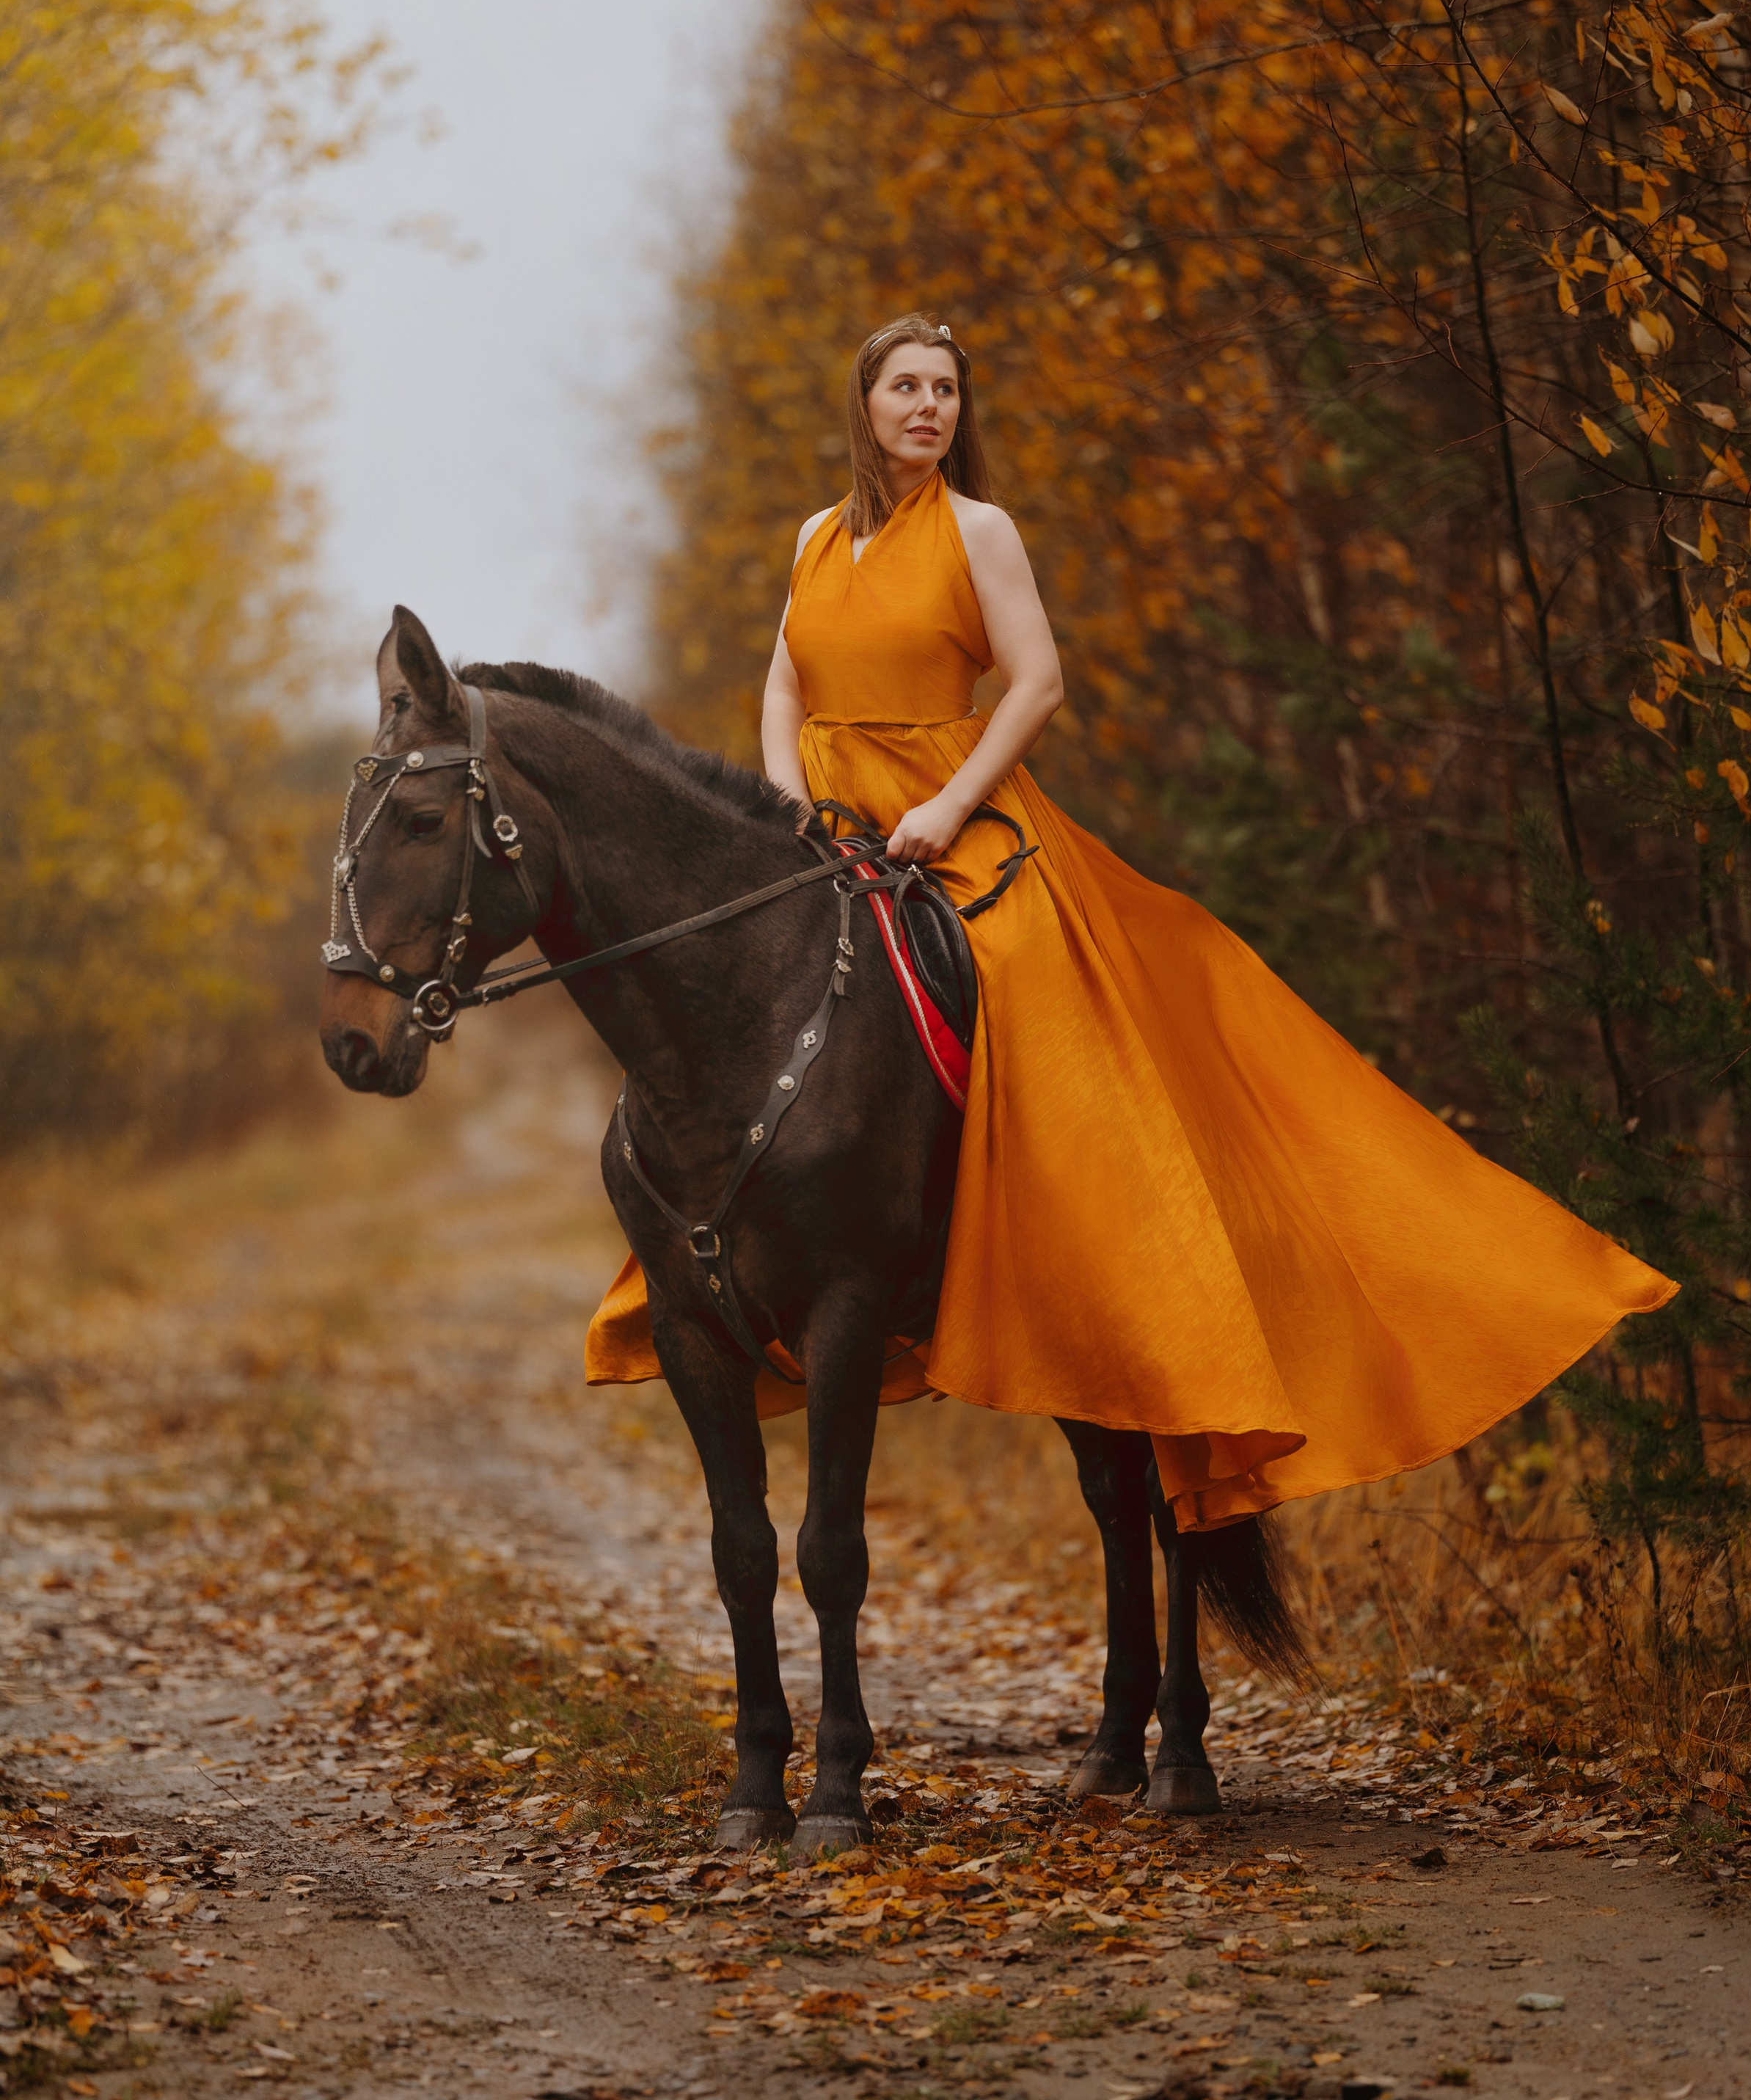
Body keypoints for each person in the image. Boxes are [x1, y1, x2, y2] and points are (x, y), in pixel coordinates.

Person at [588, 312, 1675, 1528]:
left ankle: (1070, 1248)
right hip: (825, 830)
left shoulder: (980, 529)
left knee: (1023, 990)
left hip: (955, 820)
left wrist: (950, 807)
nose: (928, 408)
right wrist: (786, 803)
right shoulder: (814, 536)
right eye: (906, 386)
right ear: (866, 401)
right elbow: (786, 677)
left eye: (946, 389)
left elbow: (1037, 681)